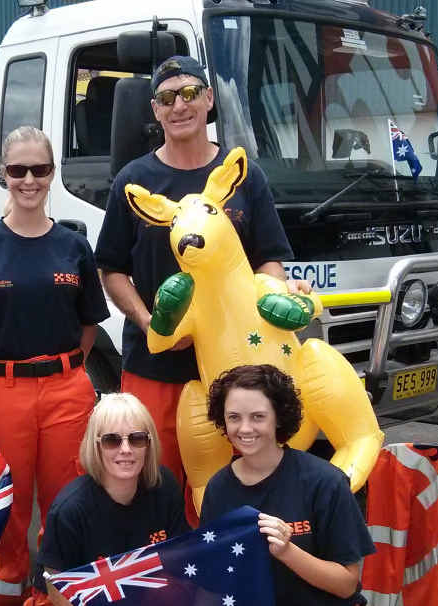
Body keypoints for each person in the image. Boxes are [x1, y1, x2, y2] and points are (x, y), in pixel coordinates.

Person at [94, 55, 309, 517]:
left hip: (238, 372)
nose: (180, 106)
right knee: (152, 485)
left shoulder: (244, 175)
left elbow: (269, 258)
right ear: (155, 110)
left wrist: (273, 299)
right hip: (156, 370)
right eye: (167, 98)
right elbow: (110, 268)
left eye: (190, 93)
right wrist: (152, 322)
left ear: (209, 100)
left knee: (237, 494)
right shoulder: (134, 182)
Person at [0, 125, 109, 606]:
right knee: (9, 504)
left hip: (66, 389)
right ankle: (8, 594)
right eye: (18, 170)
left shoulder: (73, 246)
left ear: (53, 173)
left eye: (39, 169)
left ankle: (61, 592)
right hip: (3, 391)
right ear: (2, 174)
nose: (29, 180)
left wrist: (66, 369)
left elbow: (89, 326)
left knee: (67, 499)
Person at [199, 365, 374, 605]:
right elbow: (212, 577)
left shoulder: (325, 482)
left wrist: (287, 551)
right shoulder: (218, 488)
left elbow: (346, 585)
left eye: (258, 416)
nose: (245, 428)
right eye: (234, 417)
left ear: (279, 418)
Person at [34, 393, 190, 606]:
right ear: (95, 446)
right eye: (112, 441)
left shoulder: (165, 486)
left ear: (149, 444)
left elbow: (182, 561)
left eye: (137, 438)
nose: (125, 450)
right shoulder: (69, 511)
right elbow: (55, 587)